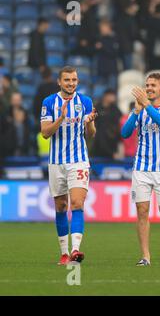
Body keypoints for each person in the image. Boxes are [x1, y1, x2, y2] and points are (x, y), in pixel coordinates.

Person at [121, 73, 160, 266]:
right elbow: (125, 133)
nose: (148, 88)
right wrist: (136, 112)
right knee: (142, 211)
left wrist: (146, 105)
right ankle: (145, 256)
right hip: (141, 168)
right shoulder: (142, 109)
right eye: (147, 85)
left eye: (153, 85)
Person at [40, 66, 97, 265]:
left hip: (79, 160)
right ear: (59, 82)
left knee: (77, 204)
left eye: (74, 80)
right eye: (67, 80)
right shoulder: (49, 102)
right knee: (61, 206)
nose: (71, 83)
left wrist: (89, 122)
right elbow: (45, 133)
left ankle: (75, 250)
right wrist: (61, 118)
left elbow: (91, 134)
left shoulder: (85, 101)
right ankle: (64, 253)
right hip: (56, 162)